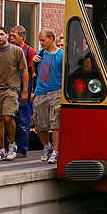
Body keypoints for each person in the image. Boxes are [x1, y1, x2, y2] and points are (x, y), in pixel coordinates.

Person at [0, 26, 28, 162]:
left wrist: (25, 91)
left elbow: (24, 71)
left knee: (7, 117)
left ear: (6, 36)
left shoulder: (16, 51)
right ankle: (1, 149)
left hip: (11, 88)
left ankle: (12, 144)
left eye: (2, 34)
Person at [32, 28, 62, 164]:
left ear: (51, 39)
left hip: (56, 90)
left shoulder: (61, 55)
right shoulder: (41, 53)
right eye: (39, 41)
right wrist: (34, 63)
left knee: (55, 122)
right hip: (40, 91)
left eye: (43, 40)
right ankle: (46, 146)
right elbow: (35, 72)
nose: (41, 43)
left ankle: (56, 150)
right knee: (40, 123)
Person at [9, 25, 36, 159]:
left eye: (14, 35)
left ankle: (22, 147)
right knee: (9, 117)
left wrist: (30, 91)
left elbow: (32, 73)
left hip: (24, 86)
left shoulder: (29, 52)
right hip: (11, 85)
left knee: (23, 118)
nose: (11, 38)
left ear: (22, 36)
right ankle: (9, 146)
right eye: (11, 35)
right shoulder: (8, 50)